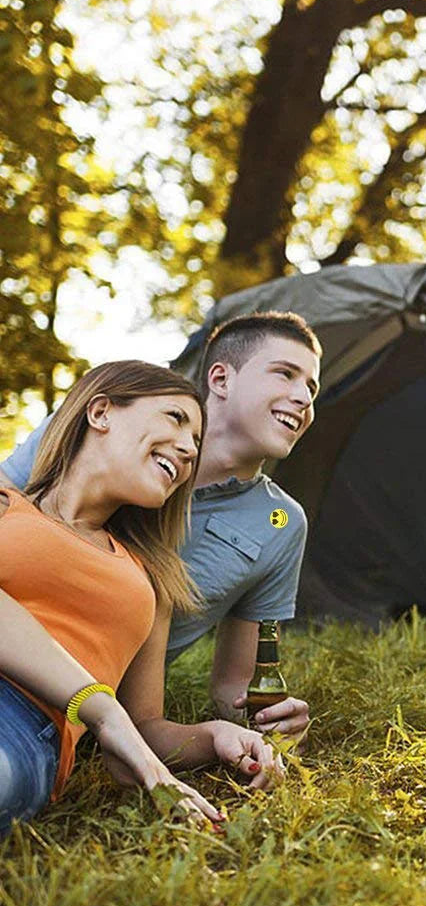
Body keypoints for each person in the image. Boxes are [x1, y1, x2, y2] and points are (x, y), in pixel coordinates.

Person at [0, 311, 321, 737]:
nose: (304, 398)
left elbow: (234, 685)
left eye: (312, 388)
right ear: (221, 379)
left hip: (74, 713)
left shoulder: (279, 522)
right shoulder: (98, 433)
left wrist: (264, 718)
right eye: (286, 374)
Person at [0, 360, 282, 837]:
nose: (190, 449)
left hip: (23, 724)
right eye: (176, 418)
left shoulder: (148, 579)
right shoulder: (6, 504)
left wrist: (215, 735)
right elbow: (119, 722)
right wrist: (102, 711)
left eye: (196, 442)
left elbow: (144, 725)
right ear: (102, 411)